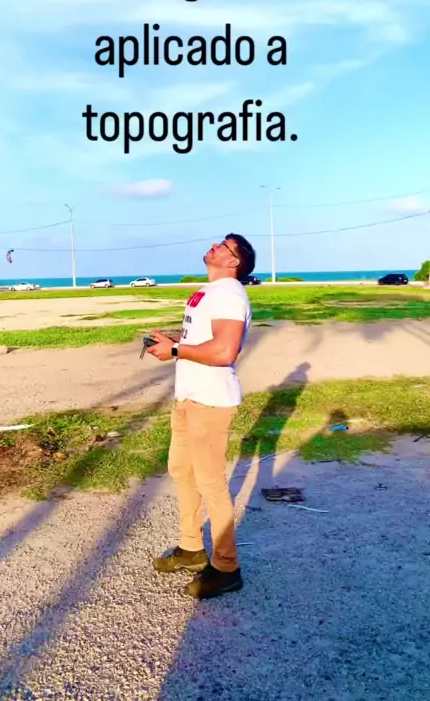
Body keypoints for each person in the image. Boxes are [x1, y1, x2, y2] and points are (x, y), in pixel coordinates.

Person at [146, 233, 256, 600]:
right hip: (189, 397)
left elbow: (225, 351)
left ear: (234, 262)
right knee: (182, 470)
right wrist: (172, 342)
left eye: (225, 246)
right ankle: (192, 548)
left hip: (210, 401)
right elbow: (202, 340)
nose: (215, 246)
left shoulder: (230, 294)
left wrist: (176, 349)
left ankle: (227, 569)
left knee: (211, 482)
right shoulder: (210, 291)